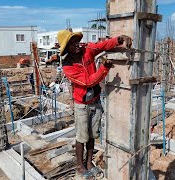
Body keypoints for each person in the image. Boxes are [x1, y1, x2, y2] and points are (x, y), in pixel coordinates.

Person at [57, 30, 132, 179]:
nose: (76, 44)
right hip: (82, 105)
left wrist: (118, 40)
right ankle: (80, 165)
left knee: (92, 135)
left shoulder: (87, 50)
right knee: (81, 137)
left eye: (76, 41)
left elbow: (102, 45)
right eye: (72, 43)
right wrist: (104, 69)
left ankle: (89, 162)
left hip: (95, 101)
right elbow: (87, 81)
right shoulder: (68, 66)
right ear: (66, 49)